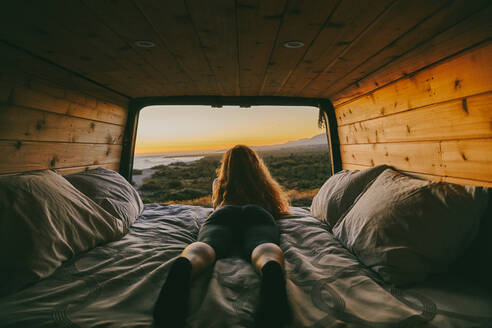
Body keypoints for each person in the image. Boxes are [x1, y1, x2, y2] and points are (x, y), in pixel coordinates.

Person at [153, 145, 291, 328]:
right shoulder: (262, 183)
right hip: (258, 213)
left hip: (224, 213)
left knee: (206, 245)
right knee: (263, 245)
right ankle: (270, 265)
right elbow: (278, 209)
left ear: (227, 165)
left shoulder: (219, 183)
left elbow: (216, 206)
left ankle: (187, 263)